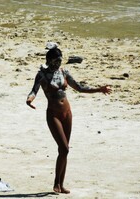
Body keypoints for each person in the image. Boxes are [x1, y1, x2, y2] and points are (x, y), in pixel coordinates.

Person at [26, 43, 111, 194]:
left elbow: (79, 88)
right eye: (55, 61)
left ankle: (61, 184)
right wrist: (29, 100)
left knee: (64, 150)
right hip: (53, 115)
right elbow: (34, 91)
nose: (58, 63)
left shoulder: (64, 72)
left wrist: (99, 89)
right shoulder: (42, 75)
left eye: (60, 60)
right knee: (64, 148)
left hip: (67, 113)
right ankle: (55, 183)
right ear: (49, 60)